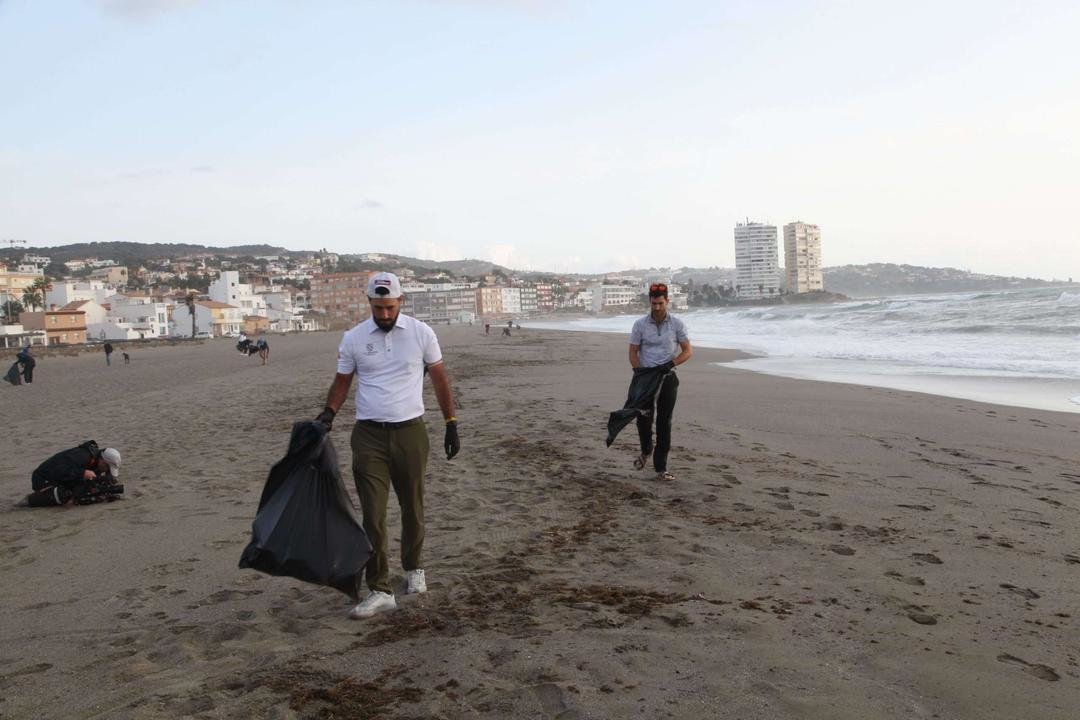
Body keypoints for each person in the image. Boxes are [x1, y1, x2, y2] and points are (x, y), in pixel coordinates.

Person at [315, 271, 460, 620]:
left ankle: (415, 568)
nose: (384, 315)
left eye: (390, 308)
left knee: (413, 506)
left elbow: (440, 379)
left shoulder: (422, 334)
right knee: (373, 515)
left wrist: (451, 423)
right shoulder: (353, 338)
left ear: (401, 302)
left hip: (411, 432)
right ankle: (380, 588)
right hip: (369, 437)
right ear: (369, 303)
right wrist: (327, 414)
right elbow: (342, 382)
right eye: (378, 308)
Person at [628, 283, 692, 481]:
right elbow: (633, 352)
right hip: (645, 377)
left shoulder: (677, 324)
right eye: (654, 303)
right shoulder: (640, 325)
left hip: (667, 377)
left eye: (660, 303)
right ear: (650, 301)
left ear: (667, 302)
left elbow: (687, 351)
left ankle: (661, 468)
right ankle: (646, 448)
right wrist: (639, 371)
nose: (657, 308)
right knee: (643, 418)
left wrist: (671, 364)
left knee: (665, 422)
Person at [24, 441, 121, 507]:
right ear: (102, 461)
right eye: (107, 468)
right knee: (66, 495)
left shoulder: (96, 463)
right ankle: (30, 501)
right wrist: (82, 473)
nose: (106, 471)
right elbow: (59, 471)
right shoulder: (82, 456)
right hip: (42, 479)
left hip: (60, 477)